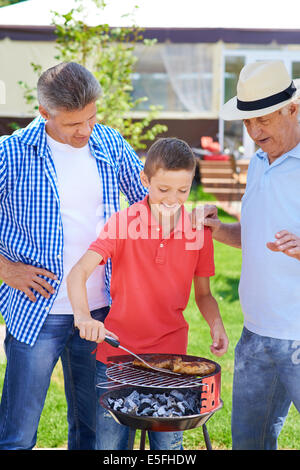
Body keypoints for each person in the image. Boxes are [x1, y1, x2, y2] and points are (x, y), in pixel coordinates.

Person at [0, 61, 148, 450]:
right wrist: (6, 269)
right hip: (37, 311)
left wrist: (193, 216)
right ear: (45, 113)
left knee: (94, 433)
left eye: (92, 118)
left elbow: (148, 205)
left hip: (101, 310)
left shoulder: (110, 142)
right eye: (73, 124)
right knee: (16, 436)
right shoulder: (10, 154)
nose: (86, 130)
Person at [67, 137, 229, 450]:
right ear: (145, 180)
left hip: (171, 359)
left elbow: (205, 295)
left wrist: (217, 324)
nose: (173, 199)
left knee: (168, 446)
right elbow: (79, 273)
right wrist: (83, 316)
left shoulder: (198, 230)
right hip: (116, 357)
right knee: (111, 447)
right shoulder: (122, 224)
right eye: (163, 190)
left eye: (182, 191)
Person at [204, 60, 300, 450]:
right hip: (255, 336)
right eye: (247, 122)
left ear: (292, 109)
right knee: (248, 444)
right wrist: (218, 231)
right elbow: (258, 237)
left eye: (262, 120)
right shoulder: (260, 161)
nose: (254, 132)